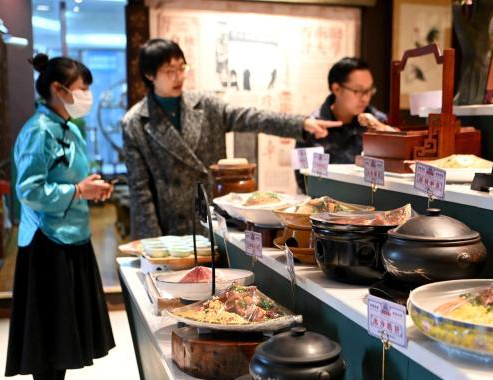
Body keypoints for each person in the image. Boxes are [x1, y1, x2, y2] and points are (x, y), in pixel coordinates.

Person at [122, 39, 340, 239]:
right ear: (149, 75)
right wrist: (155, 244)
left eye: (182, 68)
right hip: (170, 230)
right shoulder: (135, 123)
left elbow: (251, 117)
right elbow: (140, 192)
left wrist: (300, 124)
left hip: (214, 221)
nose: (179, 77)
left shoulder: (205, 105)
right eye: (170, 71)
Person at [5, 54, 116, 380]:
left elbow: (71, 178)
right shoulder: (38, 131)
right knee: (48, 325)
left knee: (65, 324)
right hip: (46, 241)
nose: (87, 96)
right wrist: (79, 191)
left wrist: (90, 187)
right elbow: (29, 190)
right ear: (59, 89)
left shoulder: (68, 126)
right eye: (83, 89)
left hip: (72, 235)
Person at [295, 57, 387, 191]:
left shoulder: (380, 123)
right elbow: (304, 181)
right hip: (325, 201)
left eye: (369, 90)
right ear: (336, 88)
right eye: (358, 91)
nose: (366, 98)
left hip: (374, 200)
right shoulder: (311, 127)